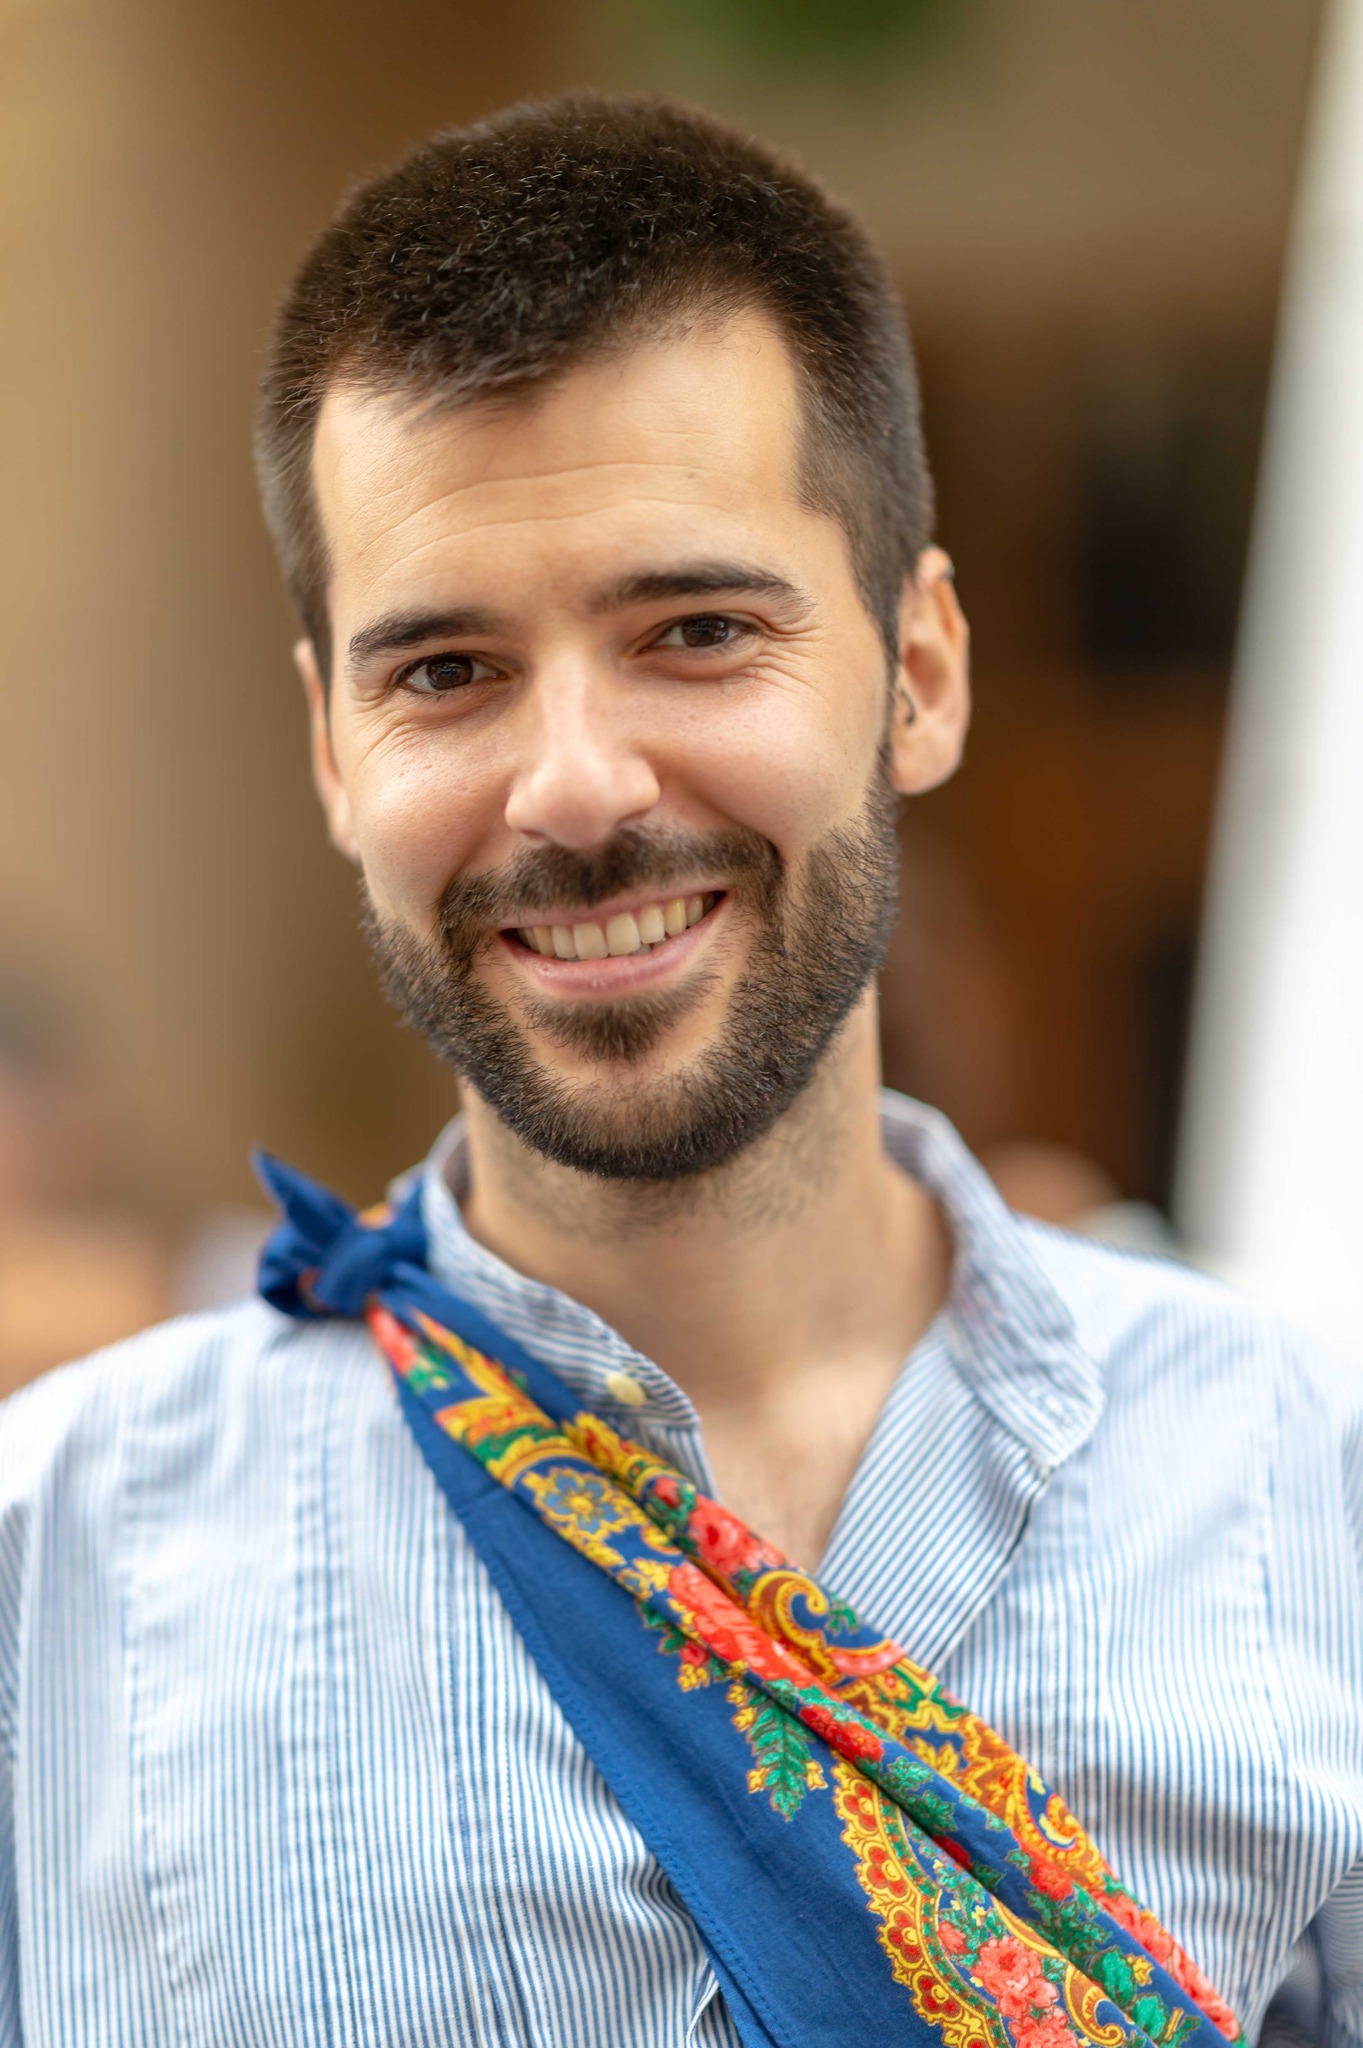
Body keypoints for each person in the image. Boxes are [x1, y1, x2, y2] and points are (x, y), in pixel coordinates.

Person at [0, 94, 1358, 2048]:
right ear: (330, 750)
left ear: (920, 672)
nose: (573, 785)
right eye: (444, 673)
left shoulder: (1305, 1495)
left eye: (697, 630)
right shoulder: (59, 1576)